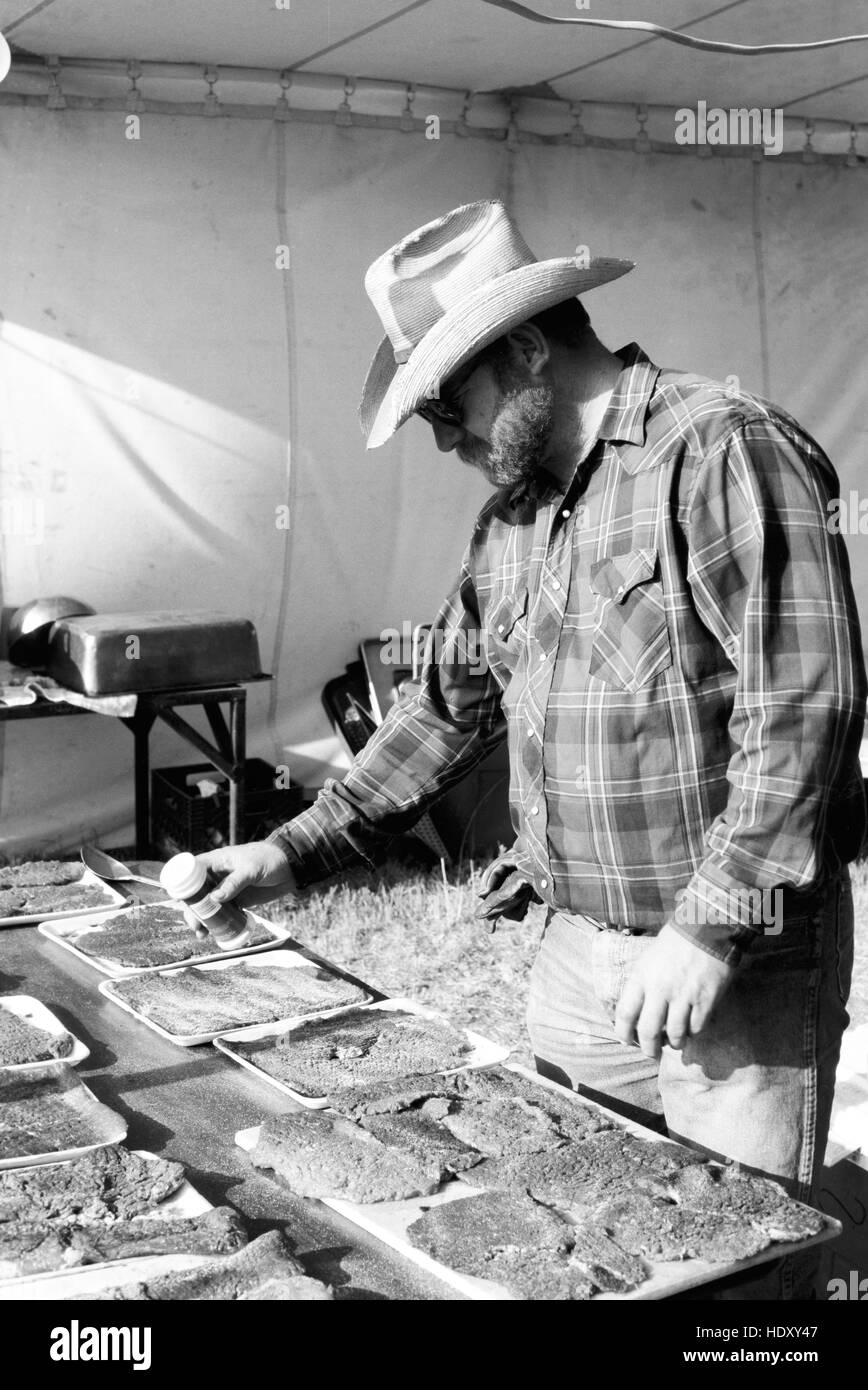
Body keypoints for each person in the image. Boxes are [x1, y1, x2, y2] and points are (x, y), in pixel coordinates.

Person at [193, 201, 865, 1296]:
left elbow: (805, 707)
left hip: (731, 971)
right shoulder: (512, 520)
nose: (443, 438)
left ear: (523, 348)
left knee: (735, 1279)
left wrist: (705, 928)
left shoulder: (722, 450)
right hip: (574, 961)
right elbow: (439, 708)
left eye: (447, 406)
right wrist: (285, 853)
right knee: (562, 1249)